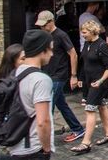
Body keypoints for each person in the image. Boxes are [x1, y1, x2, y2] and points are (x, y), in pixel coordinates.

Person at [9, 30, 55, 160]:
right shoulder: (40, 79)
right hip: (33, 148)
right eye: (50, 49)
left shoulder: (15, 73)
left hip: (18, 143)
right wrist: (46, 148)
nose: (52, 53)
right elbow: (43, 122)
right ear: (42, 50)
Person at [36, 10, 85, 142]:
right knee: (61, 104)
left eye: (44, 25)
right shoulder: (45, 35)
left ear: (51, 22)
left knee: (48, 106)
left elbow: (73, 54)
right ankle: (78, 129)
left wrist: (73, 75)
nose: (42, 28)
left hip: (59, 75)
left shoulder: (61, 35)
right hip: (48, 74)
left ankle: (46, 139)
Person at [70, 20, 108, 154]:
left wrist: (101, 81)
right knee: (101, 106)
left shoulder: (102, 46)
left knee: (90, 109)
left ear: (92, 31)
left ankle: (86, 143)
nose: (82, 35)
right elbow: (84, 63)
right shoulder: (87, 43)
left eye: (84, 33)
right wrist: (80, 78)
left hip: (99, 83)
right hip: (89, 82)